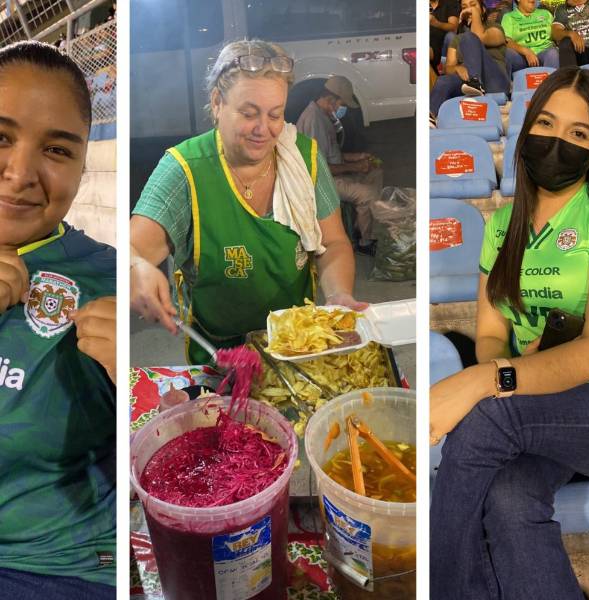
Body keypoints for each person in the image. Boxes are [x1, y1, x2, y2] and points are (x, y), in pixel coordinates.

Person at [429, 67, 589, 599]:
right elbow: (491, 334)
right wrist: (494, 370)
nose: (558, 142)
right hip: (542, 407)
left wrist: (478, 383)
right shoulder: (501, 226)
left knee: (487, 413)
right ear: (525, 130)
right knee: (510, 500)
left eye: (579, 134)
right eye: (547, 123)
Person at [131, 40, 365, 363]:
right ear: (217, 103)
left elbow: (335, 243)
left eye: (275, 114)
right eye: (249, 113)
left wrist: (339, 294)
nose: (263, 129)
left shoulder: (304, 158)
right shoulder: (184, 171)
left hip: (297, 347)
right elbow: (133, 250)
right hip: (220, 357)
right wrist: (135, 268)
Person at [0, 41, 116, 599]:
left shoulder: (113, 280)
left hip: (54, 565)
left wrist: (130, 376)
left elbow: (176, 438)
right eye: (0, 138)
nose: (20, 173)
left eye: (56, 149)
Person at [296, 76, 384, 254]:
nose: (340, 108)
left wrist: (358, 157)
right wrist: (355, 167)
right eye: (340, 104)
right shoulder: (314, 120)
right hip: (319, 182)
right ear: (330, 100)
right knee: (367, 194)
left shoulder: (322, 115)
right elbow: (319, 168)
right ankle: (364, 242)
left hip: (332, 172)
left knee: (376, 172)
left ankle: (360, 224)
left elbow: (332, 154)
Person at [430, 0, 509, 120]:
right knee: (443, 81)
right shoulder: (457, 39)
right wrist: (457, 68)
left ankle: (475, 82)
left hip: (496, 81)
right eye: (464, 7)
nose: (468, 10)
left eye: (473, 5)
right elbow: (449, 68)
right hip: (467, 83)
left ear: (482, 9)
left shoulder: (496, 29)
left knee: (469, 38)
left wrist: (474, 13)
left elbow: (478, 36)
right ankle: (430, 117)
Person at [501, 0, 560, 72]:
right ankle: (506, 83)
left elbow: (556, 33)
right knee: (508, 53)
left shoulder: (545, 13)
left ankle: (553, 83)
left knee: (553, 53)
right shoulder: (509, 17)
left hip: (545, 53)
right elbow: (507, 41)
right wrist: (526, 52)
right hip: (521, 57)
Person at [431, 0, 460, 68]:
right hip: (429, 43)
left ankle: (447, 67)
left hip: (442, 43)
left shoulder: (450, 2)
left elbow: (454, 27)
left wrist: (436, 23)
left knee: (451, 36)